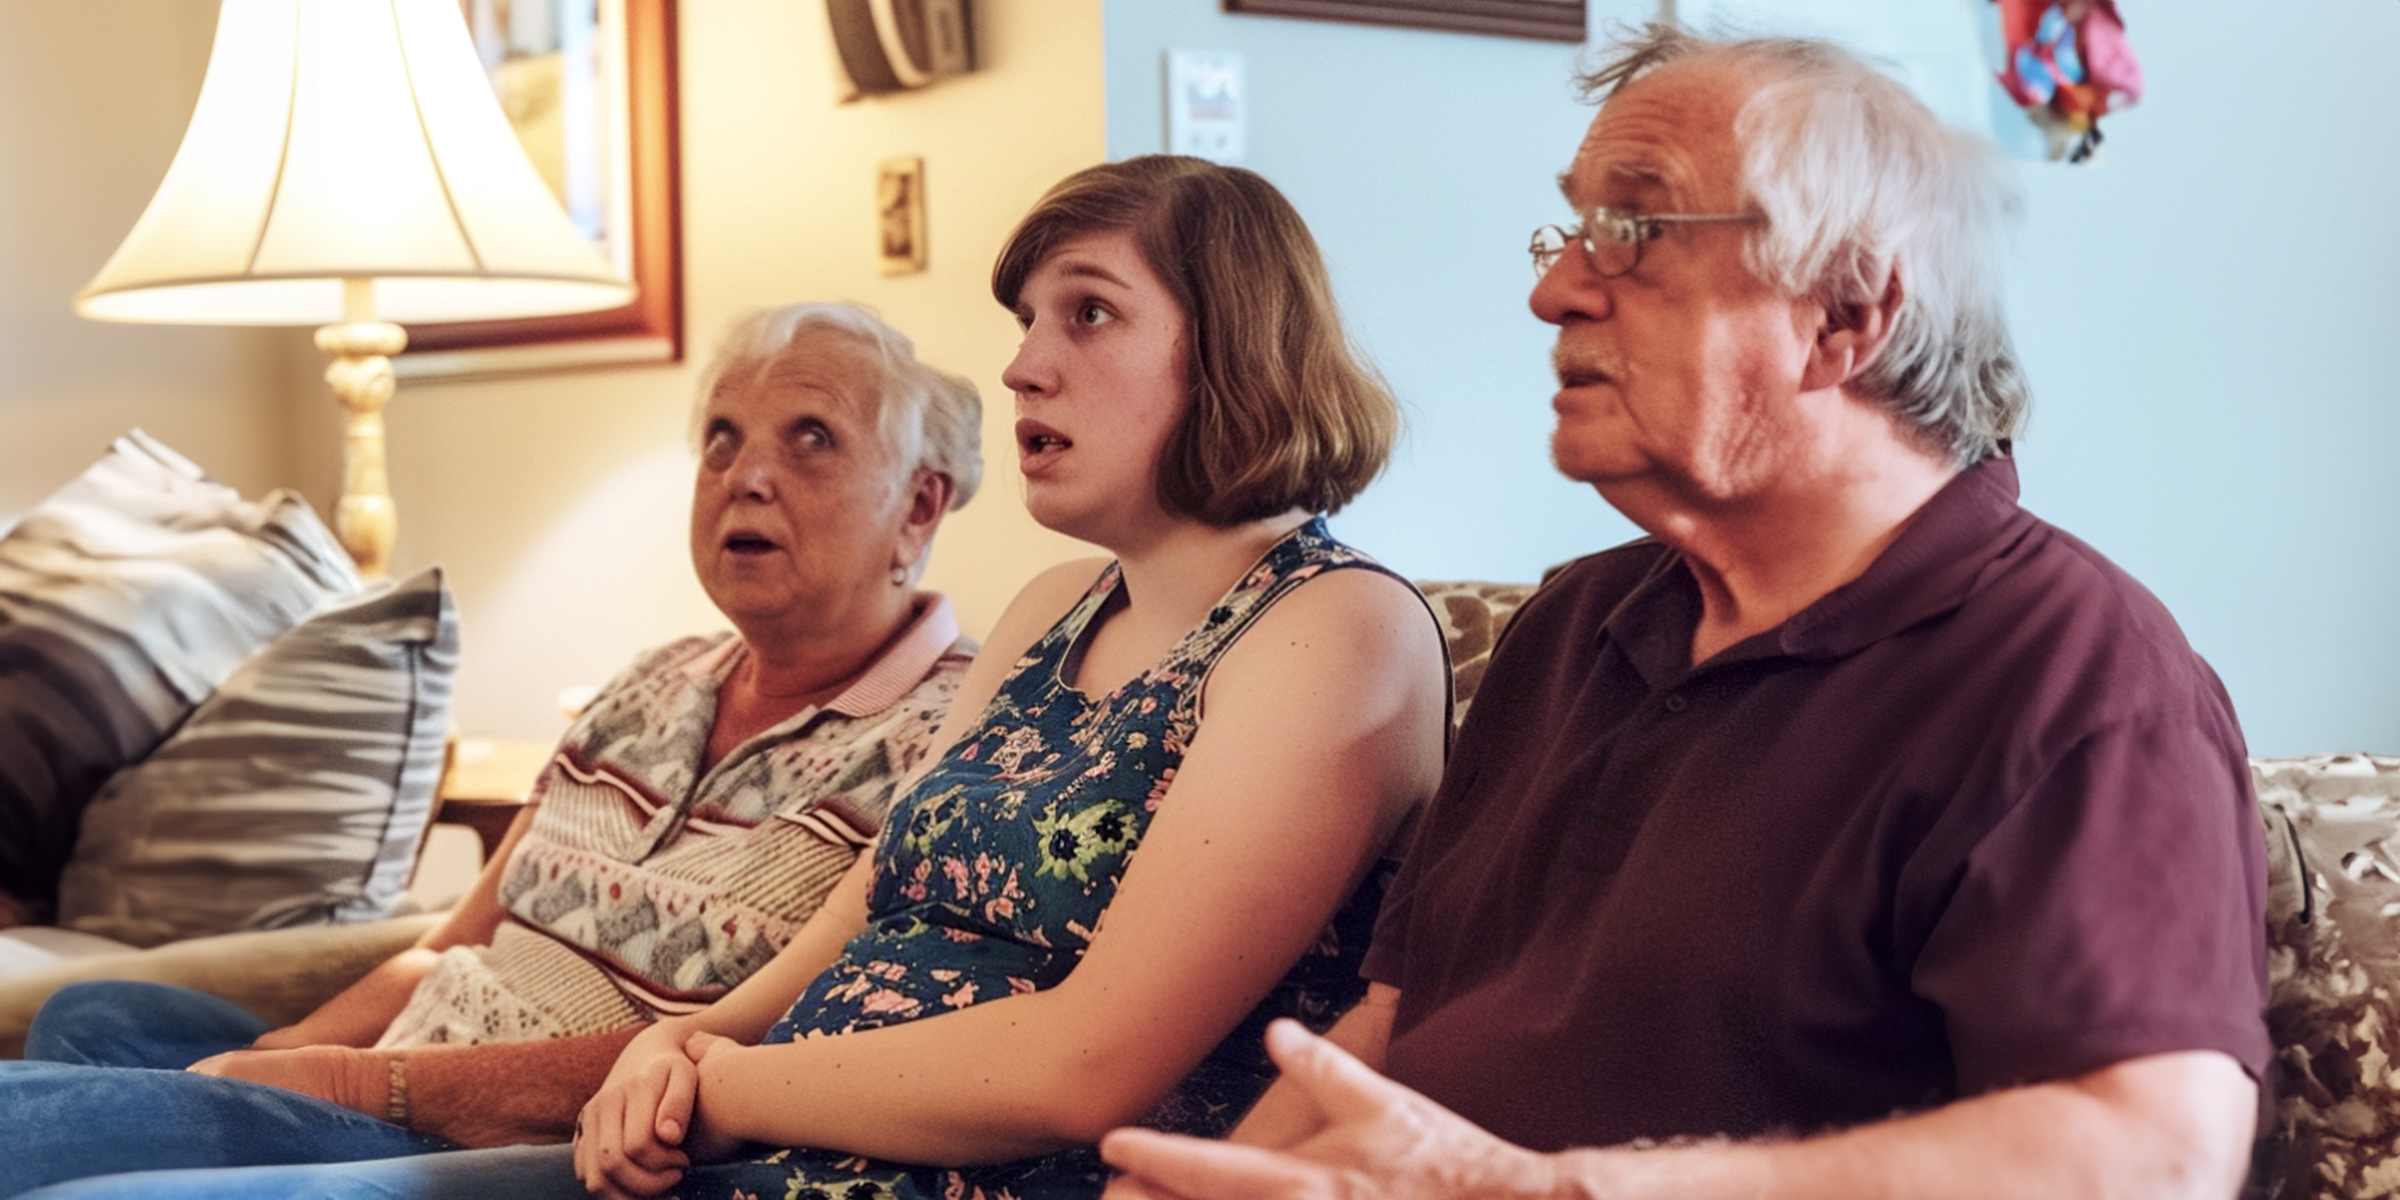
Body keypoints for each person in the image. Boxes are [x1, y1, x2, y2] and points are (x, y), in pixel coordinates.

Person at [20, 155, 1451, 1200]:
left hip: (923, 1167)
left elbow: (1086, 1066)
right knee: (92, 1063)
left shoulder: (1332, 627)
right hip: (735, 1128)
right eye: (1025, 320)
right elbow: (861, 911)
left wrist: (690, 1072)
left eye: (1085, 315)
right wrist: (700, 1045)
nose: (1023, 366)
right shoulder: (1056, 607)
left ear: (1239, 346)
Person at [1102, 25, 2269, 1200]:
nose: (1552, 289)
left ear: (1845, 315)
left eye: (1632, 232)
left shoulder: (2074, 677)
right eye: (1570, 228)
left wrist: (1567, 1191)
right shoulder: (1574, 626)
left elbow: (2155, 1157)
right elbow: (1392, 1031)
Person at [0, 302, 985, 1194]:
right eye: (722, 441)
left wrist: (350, 1083)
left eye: (811, 440)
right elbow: (455, 942)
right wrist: (290, 1055)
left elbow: (768, 1052)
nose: (747, 477)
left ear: (919, 508)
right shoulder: (654, 679)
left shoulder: (950, 740)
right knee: (98, 1018)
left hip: (525, 1146)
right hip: (407, 1067)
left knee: (26, 1128)